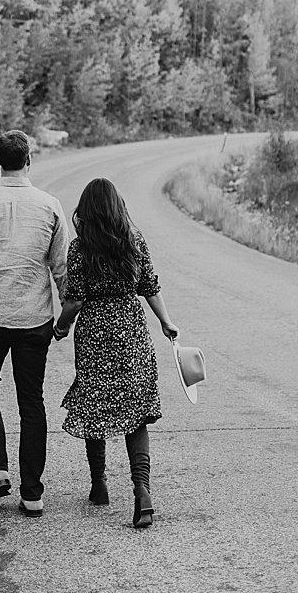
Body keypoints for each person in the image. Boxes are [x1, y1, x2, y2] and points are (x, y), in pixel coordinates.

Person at [52, 178, 179, 529]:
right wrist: (166, 322)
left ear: (87, 211)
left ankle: (99, 484)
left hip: (95, 334)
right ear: (117, 207)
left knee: (96, 404)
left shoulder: (80, 249)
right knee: (134, 413)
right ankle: (142, 492)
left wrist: (60, 327)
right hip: (132, 334)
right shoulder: (134, 242)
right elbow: (149, 286)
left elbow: (75, 298)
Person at [0, 129, 70, 517]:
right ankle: (33, 492)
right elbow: (63, 268)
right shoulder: (50, 205)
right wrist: (64, 316)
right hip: (34, 319)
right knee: (31, 400)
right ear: (29, 160)